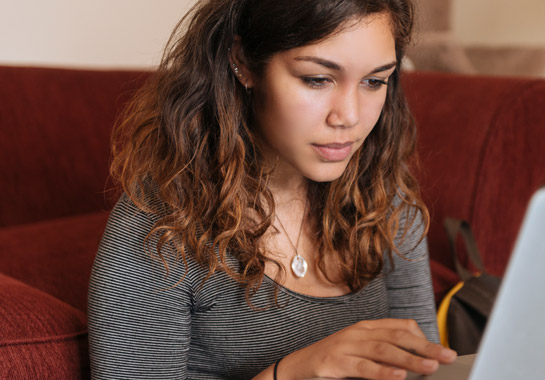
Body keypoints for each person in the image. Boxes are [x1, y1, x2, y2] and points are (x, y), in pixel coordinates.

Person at [87, 0, 457, 379]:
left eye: (374, 81)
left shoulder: (385, 200)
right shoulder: (162, 230)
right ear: (243, 62)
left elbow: (424, 369)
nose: (349, 116)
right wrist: (290, 373)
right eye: (317, 79)